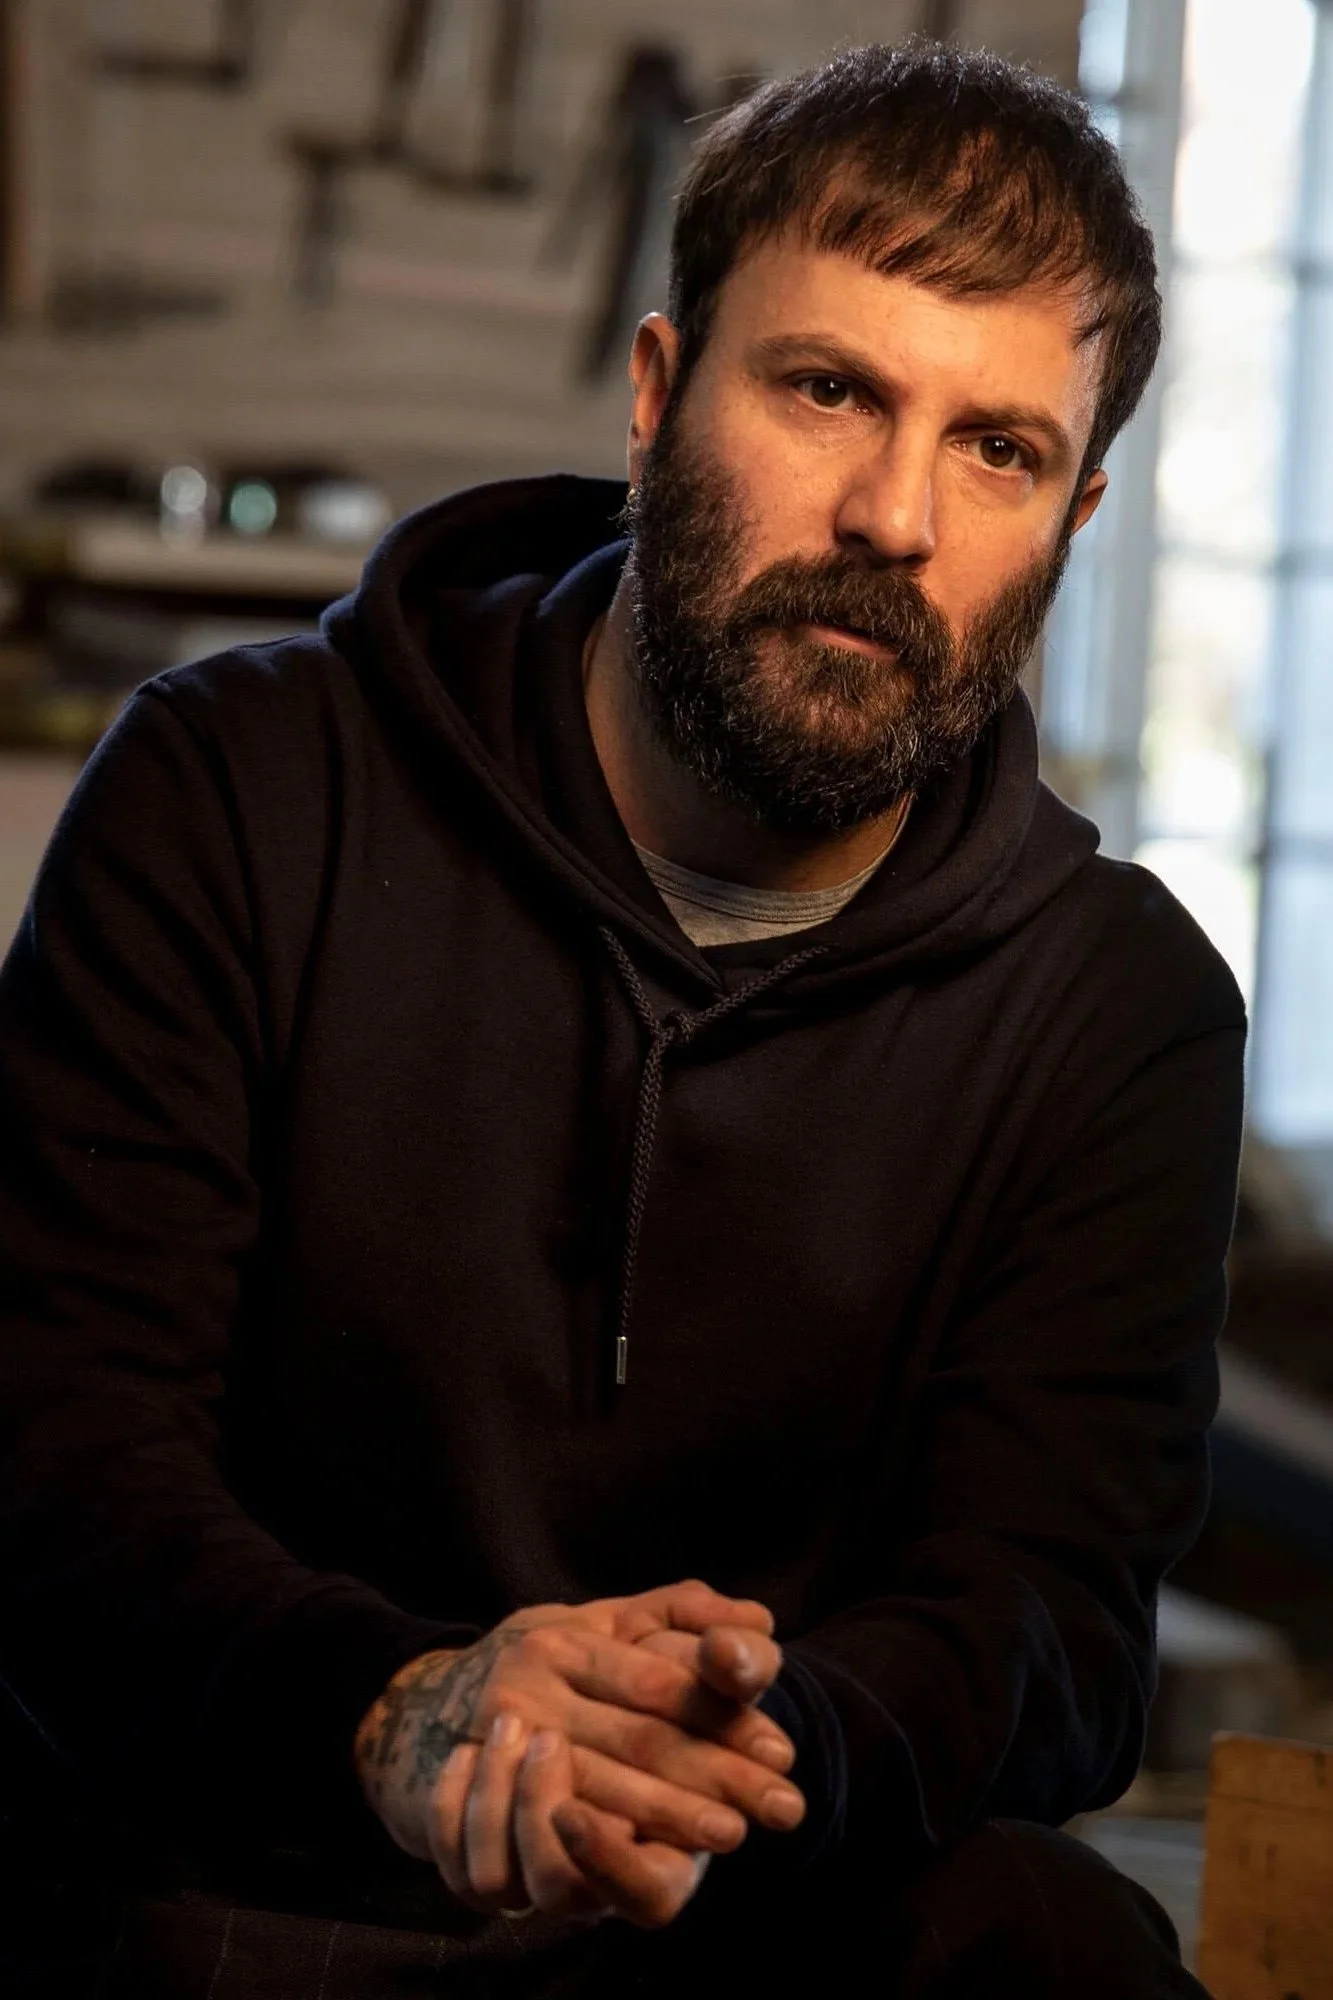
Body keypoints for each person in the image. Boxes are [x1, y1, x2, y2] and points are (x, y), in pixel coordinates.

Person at [0, 38, 1244, 2000]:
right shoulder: (234, 794)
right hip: (245, 1880)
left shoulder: (1120, 1010)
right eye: (828, 389)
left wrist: (713, 1754)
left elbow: (1049, 1623)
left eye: (996, 449)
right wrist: (410, 1710)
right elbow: (55, 1468)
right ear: (659, 398)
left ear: (1074, 518)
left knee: (1060, 1946)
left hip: (751, 1902)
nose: (893, 515)